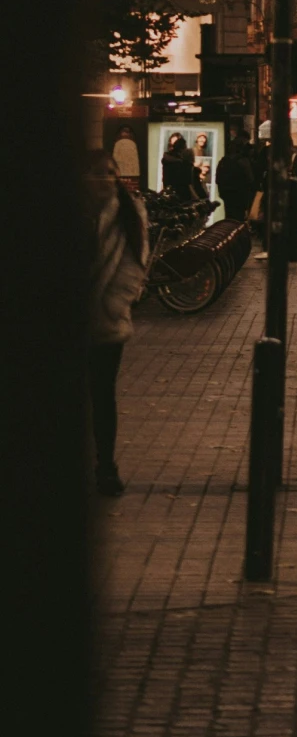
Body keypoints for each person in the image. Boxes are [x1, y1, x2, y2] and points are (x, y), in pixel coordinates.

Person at [87, 147, 150, 498]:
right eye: (98, 173)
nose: (105, 180)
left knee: (102, 395)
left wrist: (114, 304)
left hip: (107, 323)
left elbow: (135, 265)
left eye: (110, 172)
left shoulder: (127, 212)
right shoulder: (67, 211)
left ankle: (105, 466)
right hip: (67, 324)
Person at [215, 133, 254, 225]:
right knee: (238, 218)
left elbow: (218, 178)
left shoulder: (224, 161)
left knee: (229, 216)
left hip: (226, 193)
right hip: (239, 194)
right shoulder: (243, 161)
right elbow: (250, 178)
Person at [160, 132, 197, 204]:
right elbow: (187, 183)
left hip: (170, 194)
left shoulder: (167, 161)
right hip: (182, 197)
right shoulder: (183, 164)